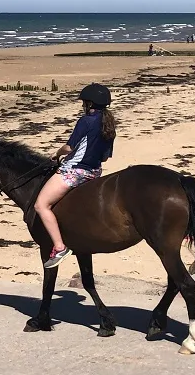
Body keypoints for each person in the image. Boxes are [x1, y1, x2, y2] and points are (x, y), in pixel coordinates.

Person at [37, 83, 118, 269]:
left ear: (89, 104)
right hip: (95, 172)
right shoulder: (109, 125)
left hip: (75, 171)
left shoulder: (86, 121)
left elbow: (69, 147)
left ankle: (59, 247)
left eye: (85, 103)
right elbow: (105, 158)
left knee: (41, 205)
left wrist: (57, 154)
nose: (84, 106)